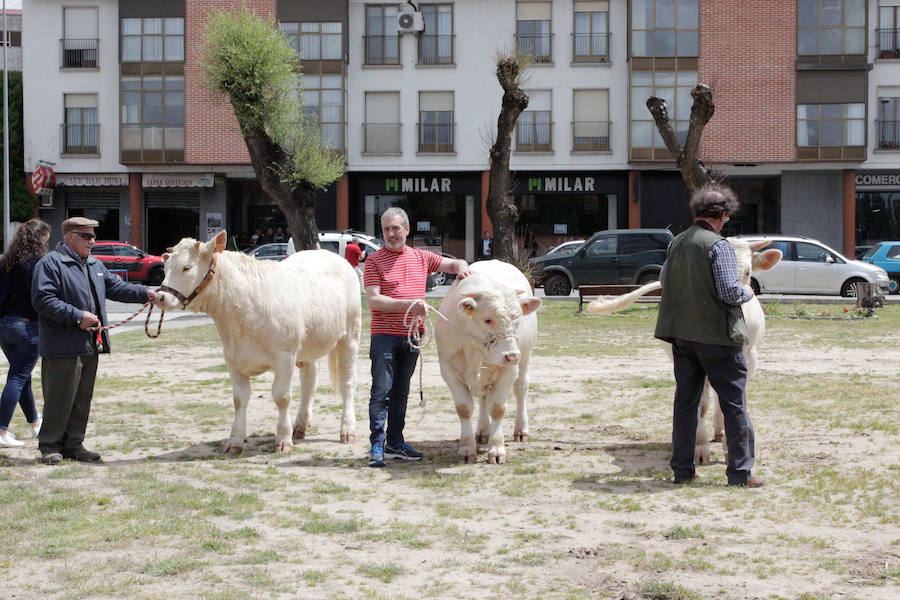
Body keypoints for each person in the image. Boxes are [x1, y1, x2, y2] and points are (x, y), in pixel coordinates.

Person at [654, 182, 763, 488]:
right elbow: (729, 292)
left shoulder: (676, 244)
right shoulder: (719, 246)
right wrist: (747, 292)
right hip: (717, 338)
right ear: (723, 215)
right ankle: (740, 473)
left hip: (681, 337)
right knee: (734, 403)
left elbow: (664, 278)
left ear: (697, 211)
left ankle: (683, 470)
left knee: (686, 403)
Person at [31, 217, 157, 465]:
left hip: (90, 344)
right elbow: (43, 299)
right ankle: (50, 446)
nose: (92, 241)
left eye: (93, 236)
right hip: (62, 345)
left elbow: (117, 288)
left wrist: (147, 293)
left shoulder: (94, 264)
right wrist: (77, 316)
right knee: (59, 397)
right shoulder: (51, 264)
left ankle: (74, 444)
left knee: (81, 398)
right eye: (86, 236)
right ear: (69, 237)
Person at [364, 207, 471, 467]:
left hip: (411, 337)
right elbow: (374, 300)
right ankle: (376, 446)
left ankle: (395, 441)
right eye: (387, 229)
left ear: (407, 229)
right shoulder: (374, 261)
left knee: (401, 392)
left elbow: (452, 263)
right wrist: (409, 304)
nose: (391, 234)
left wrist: (463, 267)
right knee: (381, 392)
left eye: (396, 228)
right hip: (385, 337)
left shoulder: (421, 257)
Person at [0, 219, 51, 448]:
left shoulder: (7, 262)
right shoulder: (38, 263)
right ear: (39, 239)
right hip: (28, 326)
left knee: (21, 377)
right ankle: (1, 431)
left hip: (5, 326)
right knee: (18, 377)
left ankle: (34, 423)